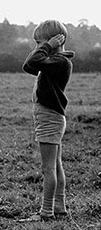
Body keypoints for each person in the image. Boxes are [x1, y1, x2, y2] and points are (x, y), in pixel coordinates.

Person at [19, 20, 74, 222]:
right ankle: (59, 207)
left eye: (39, 43)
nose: (37, 48)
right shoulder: (53, 62)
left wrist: (47, 46)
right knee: (56, 165)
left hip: (49, 118)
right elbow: (30, 64)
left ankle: (46, 212)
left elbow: (30, 63)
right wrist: (46, 46)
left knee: (48, 168)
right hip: (51, 117)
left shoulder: (59, 62)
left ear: (56, 41)